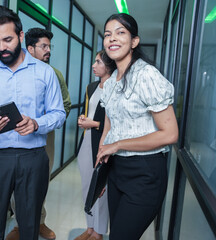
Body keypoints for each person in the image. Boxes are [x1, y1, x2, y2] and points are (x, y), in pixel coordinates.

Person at [0, 5, 66, 240]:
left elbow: (58, 113)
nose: (1, 47)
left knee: (29, 224)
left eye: (8, 39)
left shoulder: (45, 72)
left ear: (21, 36)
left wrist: (36, 124)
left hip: (32, 157)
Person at [96, 13, 179, 240]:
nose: (112, 38)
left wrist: (118, 145)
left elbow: (170, 134)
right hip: (115, 169)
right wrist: (100, 170)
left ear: (134, 41)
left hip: (145, 173)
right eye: (107, 34)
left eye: (120, 32)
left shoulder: (146, 76)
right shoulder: (111, 82)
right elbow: (109, 126)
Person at [5, 27, 71, 240]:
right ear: (30, 48)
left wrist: (43, 122)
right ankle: (19, 224)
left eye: (49, 46)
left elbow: (65, 105)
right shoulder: (13, 70)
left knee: (40, 182)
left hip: (44, 137)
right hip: (14, 137)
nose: (48, 50)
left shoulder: (54, 74)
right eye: (44, 46)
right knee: (16, 184)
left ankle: (39, 222)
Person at [76, 50, 116, 240]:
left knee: (100, 188)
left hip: (104, 144)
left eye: (98, 62)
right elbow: (90, 112)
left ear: (109, 66)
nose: (94, 65)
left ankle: (99, 232)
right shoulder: (91, 87)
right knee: (86, 186)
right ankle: (90, 227)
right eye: (94, 61)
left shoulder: (116, 87)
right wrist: (84, 119)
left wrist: (93, 124)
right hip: (86, 141)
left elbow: (116, 123)